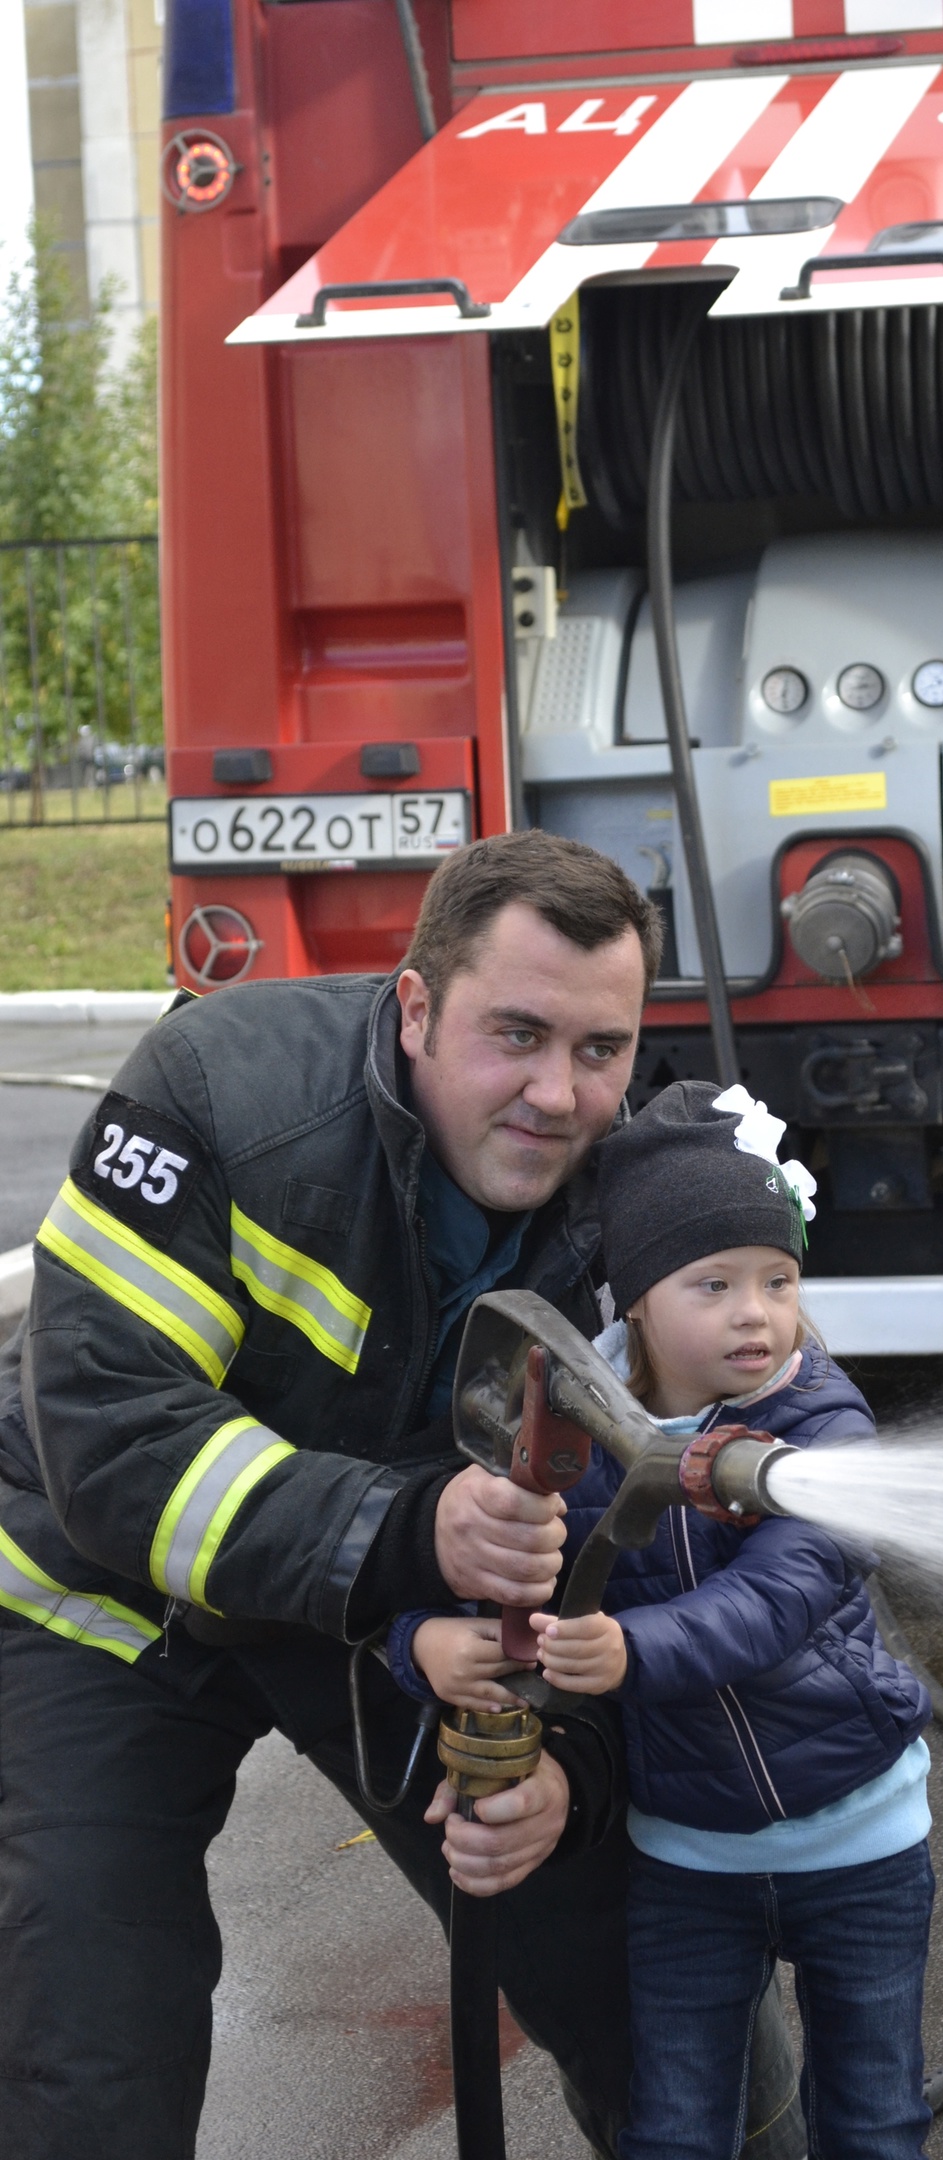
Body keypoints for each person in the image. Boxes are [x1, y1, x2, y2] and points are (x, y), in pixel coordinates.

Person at [0, 831, 801, 2159]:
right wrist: (408, 1533)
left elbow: (641, 1561)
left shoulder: (635, 1210)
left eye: (600, 1051)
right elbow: (114, 1440)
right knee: (88, 2012)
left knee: (650, 1962)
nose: (556, 1093)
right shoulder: (215, 1095)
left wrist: (571, 1779)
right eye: (517, 1035)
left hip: (385, 1617)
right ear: (418, 1008)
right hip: (111, 1602)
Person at [393, 1080, 934, 2160]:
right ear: (636, 1300)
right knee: (677, 2128)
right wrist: (426, 1645)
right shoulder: (577, 1434)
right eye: (714, 1282)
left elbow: (779, 1599)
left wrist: (635, 1651)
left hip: (862, 1843)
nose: (756, 1312)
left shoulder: (820, 1426)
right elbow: (485, 1581)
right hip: (690, 1864)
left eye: (779, 1280)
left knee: (874, 2120)